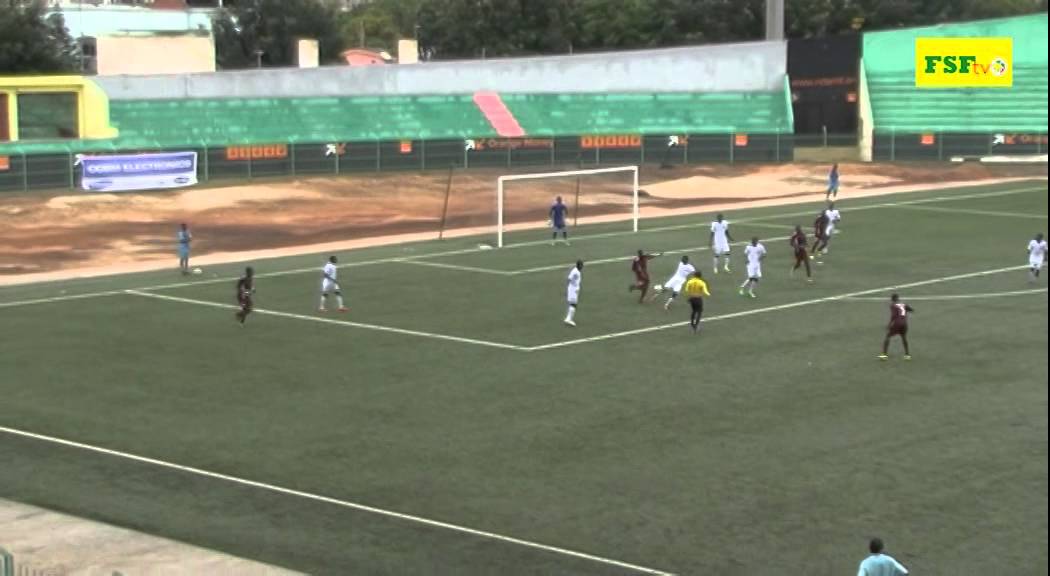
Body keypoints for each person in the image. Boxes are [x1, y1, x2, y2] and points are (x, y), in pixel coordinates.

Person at [880, 293, 914, 360]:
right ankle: (907, 355)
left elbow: (894, 316)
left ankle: (884, 355)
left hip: (897, 323)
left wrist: (889, 324)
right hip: (904, 323)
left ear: (892, 299)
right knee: (904, 337)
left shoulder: (893, 305)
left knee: (888, 336)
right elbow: (911, 310)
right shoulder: (903, 304)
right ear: (898, 298)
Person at [564, 259, 583, 326]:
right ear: (579, 265)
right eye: (581, 265)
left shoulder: (577, 271)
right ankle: (568, 319)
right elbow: (569, 279)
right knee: (573, 305)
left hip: (573, 290)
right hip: (572, 290)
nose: (582, 266)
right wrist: (569, 289)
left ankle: (568, 318)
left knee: (573, 304)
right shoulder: (575, 272)